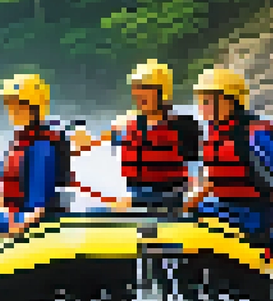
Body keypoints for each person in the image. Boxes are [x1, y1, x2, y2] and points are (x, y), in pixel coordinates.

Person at [185, 67, 273, 257]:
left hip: (256, 213)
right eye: (201, 101)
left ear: (231, 101)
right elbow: (213, 176)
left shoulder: (256, 135)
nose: (202, 108)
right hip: (223, 209)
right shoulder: (213, 135)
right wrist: (190, 202)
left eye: (208, 101)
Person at [71, 60, 199, 215]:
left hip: (169, 199)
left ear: (161, 91)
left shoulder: (184, 126)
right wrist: (85, 142)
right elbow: (97, 143)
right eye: (137, 88)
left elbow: (196, 173)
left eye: (145, 88)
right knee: (93, 211)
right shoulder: (125, 124)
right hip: (135, 196)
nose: (139, 94)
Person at [0, 74, 72, 236]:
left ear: (35, 108)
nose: (10, 109)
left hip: (31, 221)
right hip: (15, 215)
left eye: (17, 104)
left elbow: (37, 207)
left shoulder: (42, 146)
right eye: (8, 103)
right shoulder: (23, 139)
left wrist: (14, 231)